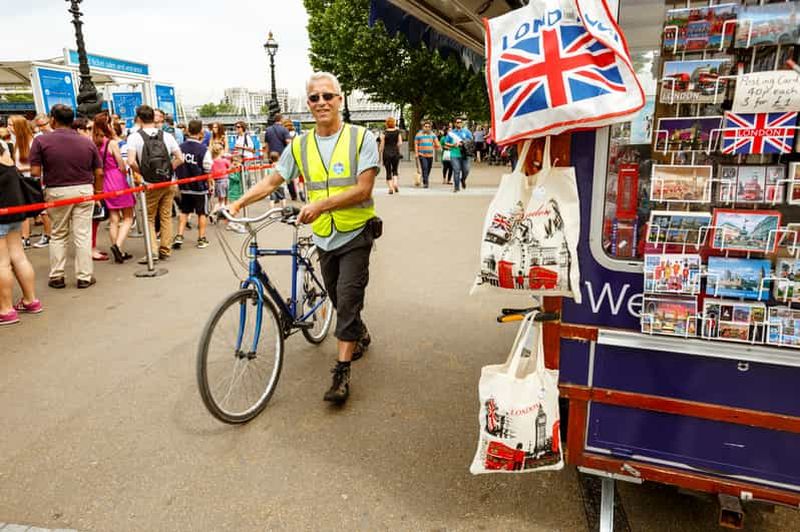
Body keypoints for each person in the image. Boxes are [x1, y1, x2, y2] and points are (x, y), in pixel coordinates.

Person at [229, 71, 379, 405]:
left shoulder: (361, 138)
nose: (321, 102)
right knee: (337, 298)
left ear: (340, 99)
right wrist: (237, 203)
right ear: (308, 104)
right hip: (324, 236)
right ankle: (358, 331)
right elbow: (272, 181)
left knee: (347, 298)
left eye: (328, 96)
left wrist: (320, 205)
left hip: (356, 231)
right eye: (314, 97)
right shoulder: (299, 145)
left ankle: (341, 372)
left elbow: (364, 189)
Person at [29, 104, 103, 289]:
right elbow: (99, 172)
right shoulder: (87, 142)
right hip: (84, 191)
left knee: (58, 233)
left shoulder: (41, 141)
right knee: (83, 234)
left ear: (53, 120)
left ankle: (57, 276)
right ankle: (84, 276)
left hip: (57, 191)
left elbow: (35, 172)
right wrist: (98, 193)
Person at [126, 105, 184, 264]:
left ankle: (152, 252)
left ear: (139, 119)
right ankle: (165, 249)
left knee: (149, 218)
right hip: (168, 181)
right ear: (153, 117)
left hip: (150, 184)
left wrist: (143, 172)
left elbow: (130, 161)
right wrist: (168, 170)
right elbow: (180, 158)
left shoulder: (134, 137)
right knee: (166, 215)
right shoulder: (167, 135)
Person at [0, 141, 42, 325]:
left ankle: (5, 310)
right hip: (14, 210)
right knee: (19, 257)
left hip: (2, 212)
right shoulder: (4, 148)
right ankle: (30, 300)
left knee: (2, 263)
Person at [93, 111, 136, 263]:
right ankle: (117, 246)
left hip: (104, 182)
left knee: (114, 218)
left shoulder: (95, 143)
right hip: (117, 180)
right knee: (128, 217)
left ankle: (119, 251)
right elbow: (122, 166)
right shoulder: (111, 143)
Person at [8, 115, 51, 249]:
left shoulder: (34, 142)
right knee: (24, 209)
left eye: (11, 125)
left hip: (34, 180)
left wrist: (20, 170)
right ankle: (25, 237)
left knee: (42, 209)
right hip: (22, 180)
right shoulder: (16, 142)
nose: (8, 128)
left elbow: (40, 165)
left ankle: (48, 235)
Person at [173, 120, 213, 250]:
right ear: (201, 132)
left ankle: (179, 235)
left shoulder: (180, 147)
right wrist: (210, 184)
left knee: (184, 211)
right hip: (199, 187)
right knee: (202, 213)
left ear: (188, 130)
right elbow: (207, 168)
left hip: (184, 185)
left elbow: (175, 163)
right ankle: (201, 238)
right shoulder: (203, 149)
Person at [264, 114, 296, 200]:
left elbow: (266, 145)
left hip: (272, 155)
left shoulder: (268, 130)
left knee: (273, 175)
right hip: (282, 155)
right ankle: (293, 194)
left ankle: (275, 195)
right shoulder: (284, 129)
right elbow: (288, 142)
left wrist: (267, 156)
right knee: (288, 174)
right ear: (281, 120)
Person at [445, 117, 473, 192]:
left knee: (466, 170)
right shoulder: (451, 133)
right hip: (454, 154)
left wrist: (463, 142)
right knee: (456, 170)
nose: (459, 123)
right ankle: (456, 187)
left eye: (460, 122)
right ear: (455, 123)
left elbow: (471, 140)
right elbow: (446, 143)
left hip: (465, 154)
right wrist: (452, 145)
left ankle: (463, 179)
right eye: (457, 122)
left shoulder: (466, 131)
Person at [414, 120, 440, 189]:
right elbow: (416, 144)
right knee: (425, 168)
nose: (427, 128)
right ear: (423, 127)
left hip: (430, 155)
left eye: (429, 127)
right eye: (426, 126)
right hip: (422, 154)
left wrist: (436, 145)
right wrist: (416, 153)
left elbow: (437, 144)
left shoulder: (433, 135)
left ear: (430, 127)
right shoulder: (419, 134)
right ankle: (426, 183)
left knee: (428, 169)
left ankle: (425, 178)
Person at [379, 117, 402, 194]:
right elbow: (400, 143)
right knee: (395, 170)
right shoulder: (397, 132)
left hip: (386, 153)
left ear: (386, 124)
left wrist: (380, 154)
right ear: (394, 123)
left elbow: (382, 145)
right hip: (395, 153)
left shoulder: (384, 133)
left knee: (388, 171)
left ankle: (390, 188)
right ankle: (395, 183)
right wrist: (396, 147)